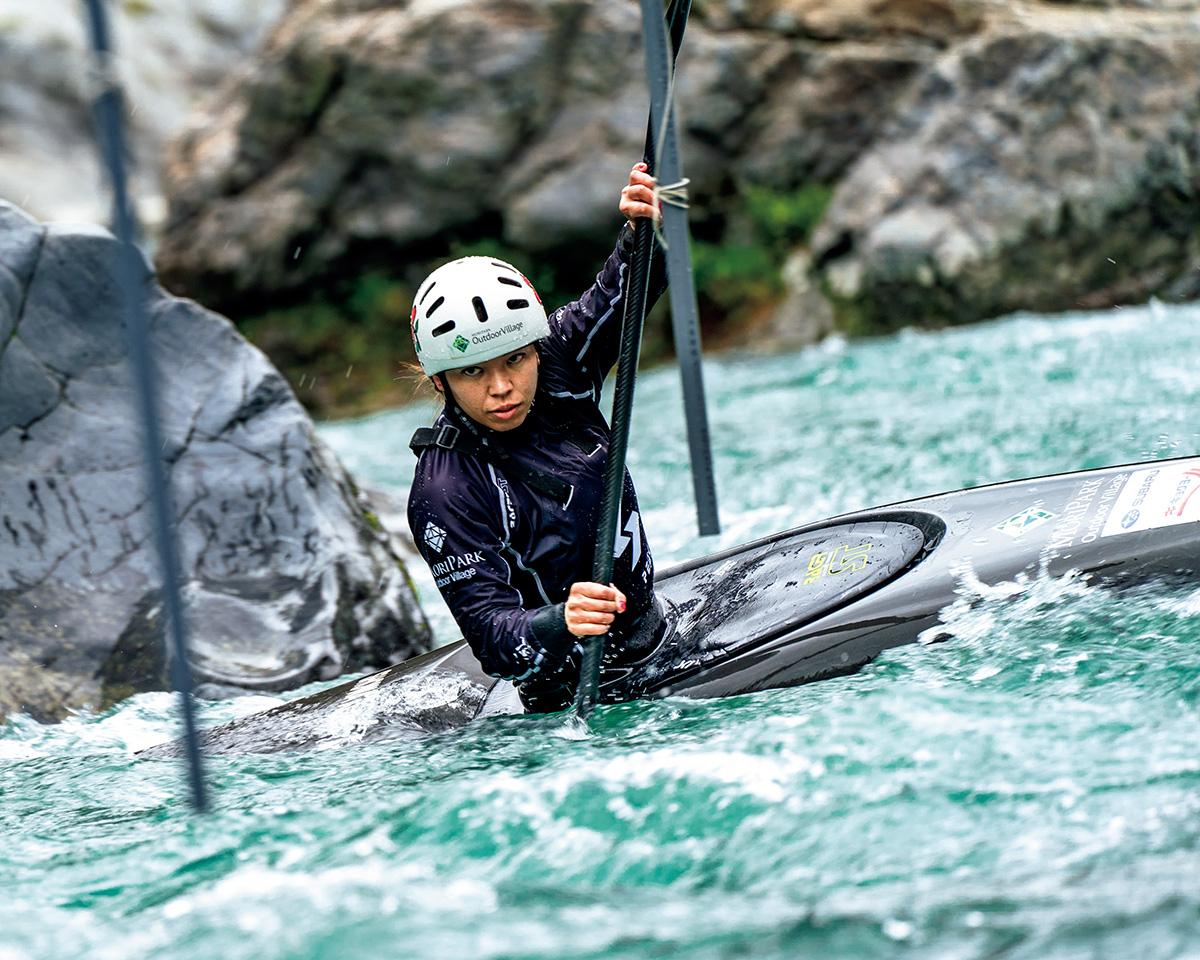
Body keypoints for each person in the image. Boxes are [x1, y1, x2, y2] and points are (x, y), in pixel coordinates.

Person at [407, 163, 667, 712]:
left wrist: (643, 226)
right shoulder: (446, 490)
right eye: (473, 372)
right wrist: (561, 621)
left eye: (515, 360)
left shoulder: (556, 363)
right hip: (572, 692)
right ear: (440, 381)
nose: (502, 387)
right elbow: (492, 637)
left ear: (534, 347)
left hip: (654, 629)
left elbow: (626, 292)